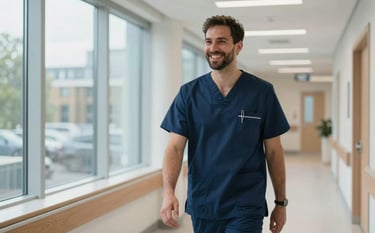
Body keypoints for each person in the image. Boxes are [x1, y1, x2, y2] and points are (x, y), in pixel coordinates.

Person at [160, 15, 290, 233]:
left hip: (246, 203)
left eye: (221, 41)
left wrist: (280, 202)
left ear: (238, 47)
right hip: (204, 202)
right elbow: (174, 147)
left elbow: (274, 151)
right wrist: (168, 191)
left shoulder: (261, 93)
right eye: (208, 41)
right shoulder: (188, 94)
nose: (213, 48)